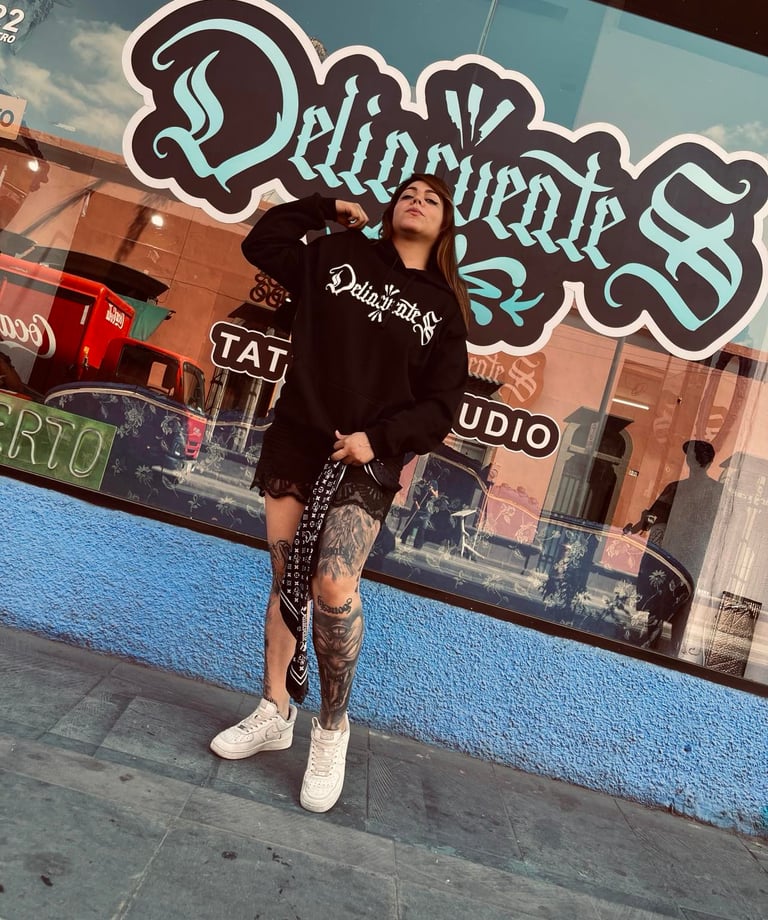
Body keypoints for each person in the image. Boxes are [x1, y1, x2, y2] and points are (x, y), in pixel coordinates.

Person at [209, 175, 470, 813]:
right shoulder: (337, 255)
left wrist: (377, 440)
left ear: (444, 226)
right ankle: (275, 710)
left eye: (432, 199)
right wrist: (323, 209)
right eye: (408, 193)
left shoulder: (442, 309)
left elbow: (441, 408)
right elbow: (262, 244)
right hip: (299, 438)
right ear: (391, 208)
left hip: (366, 459)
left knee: (332, 583)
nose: (417, 201)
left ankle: (331, 727)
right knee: (286, 579)